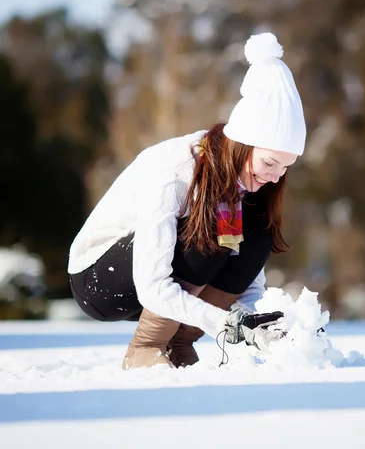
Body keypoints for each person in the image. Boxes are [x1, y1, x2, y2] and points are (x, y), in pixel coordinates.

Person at [67, 32, 305, 369]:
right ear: (243, 144)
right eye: (270, 163)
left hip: (160, 277)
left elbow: (246, 279)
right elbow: (152, 286)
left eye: (285, 167)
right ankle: (146, 347)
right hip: (98, 280)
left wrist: (257, 325)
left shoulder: (244, 184)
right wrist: (225, 325)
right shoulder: (177, 169)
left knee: (255, 236)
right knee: (211, 234)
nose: (276, 176)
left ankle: (179, 344)